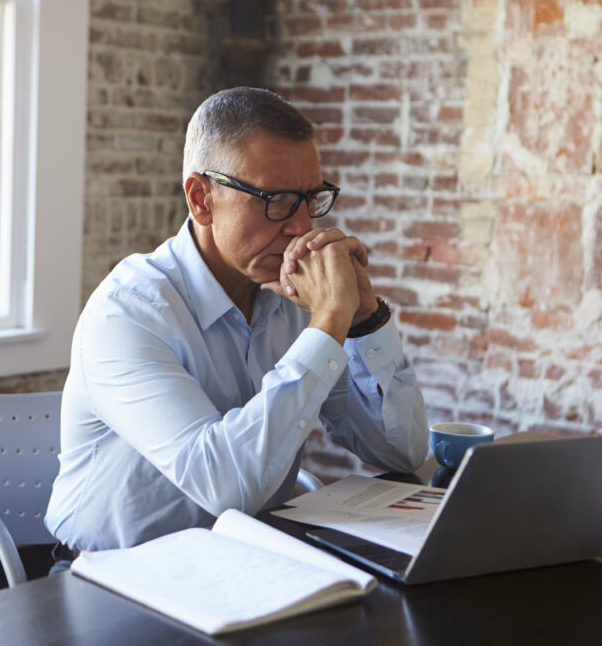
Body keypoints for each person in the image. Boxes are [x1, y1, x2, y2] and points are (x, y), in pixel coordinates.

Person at [45, 87, 428, 554]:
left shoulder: (292, 296)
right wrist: (329, 321)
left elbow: (401, 452)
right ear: (201, 199)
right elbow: (225, 489)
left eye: (311, 198)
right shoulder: (127, 312)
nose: (301, 226)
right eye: (278, 200)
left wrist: (365, 318)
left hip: (247, 560)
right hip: (109, 579)